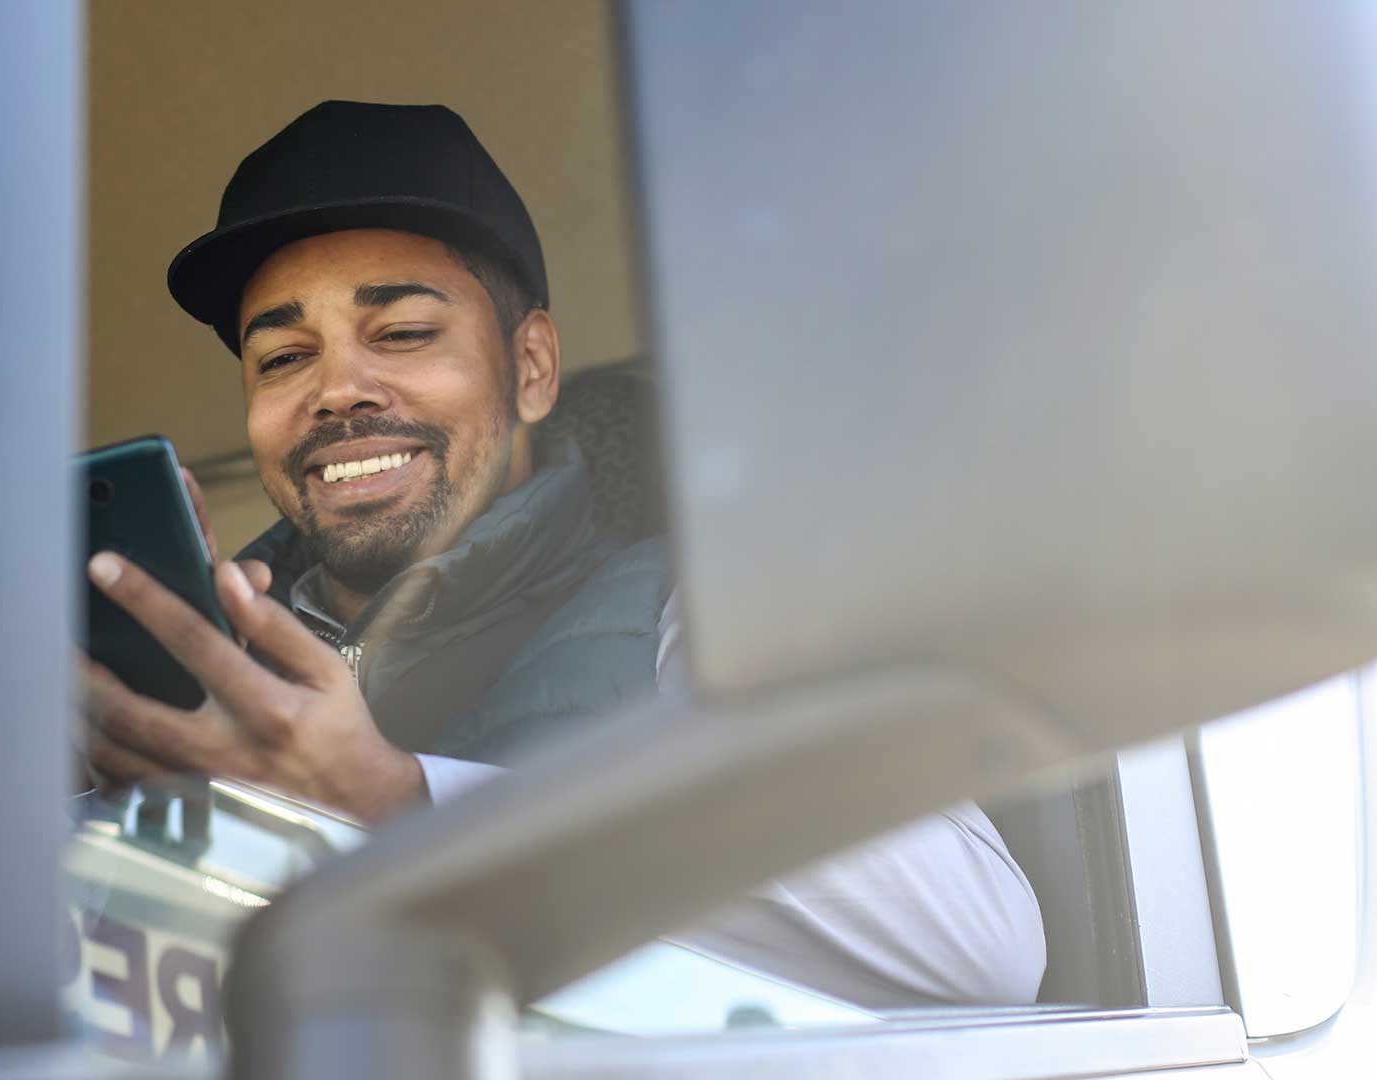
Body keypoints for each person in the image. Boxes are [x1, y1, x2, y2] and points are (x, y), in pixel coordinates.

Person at [82, 100, 1046, 1007]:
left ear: (533, 367)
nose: (339, 390)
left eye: (404, 332)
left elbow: (978, 951)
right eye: (283, 357)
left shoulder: (698, 614)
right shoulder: (202, 677)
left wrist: (404, 807)